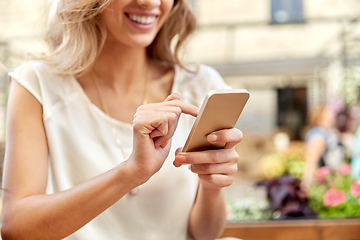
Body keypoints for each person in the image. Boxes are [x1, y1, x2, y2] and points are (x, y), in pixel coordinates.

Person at [0, 0, 242, 239]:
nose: (150, 2)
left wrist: (211, 186)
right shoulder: (38, 84)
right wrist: (131, 173)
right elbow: (16, 227)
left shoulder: (203, 86)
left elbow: (205, 234)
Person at [301, 105, 343, 190]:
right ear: (321, 117)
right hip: (321, 184)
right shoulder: (318, 135)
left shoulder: (326, 133)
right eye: (329, 113)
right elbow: (311, 162)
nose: (333, 115)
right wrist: (307, 184)